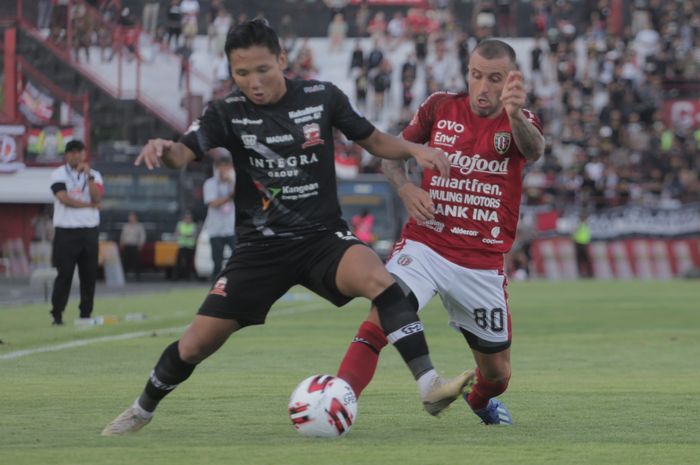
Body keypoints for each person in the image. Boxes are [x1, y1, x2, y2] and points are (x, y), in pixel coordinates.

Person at [102, 19, 468, 436]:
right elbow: (183, 155)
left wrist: (415, 149)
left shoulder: (321, 97)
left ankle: (429, 385)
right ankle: (141, 410)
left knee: (382, 281)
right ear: (231, 72)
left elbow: (373, 140)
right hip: (260, 249)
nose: (254, 82)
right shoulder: (226, 112)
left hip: (321, 238)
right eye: (242, 73)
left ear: (281, 60)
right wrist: (164, 149)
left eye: (262, 70)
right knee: (195, 344)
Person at [335, 39, 545, 426]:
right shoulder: (439, 106)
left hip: (480, 263)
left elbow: (533, 150)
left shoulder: (522, 120)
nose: (483, 87)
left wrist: (514, 116)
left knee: (497, 376)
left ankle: (480, 403)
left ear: (511, 80)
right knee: (385, 309)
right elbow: (391, 156)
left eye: (494, 79)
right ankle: (337, 398)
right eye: (476, 75)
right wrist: (406, 187)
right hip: (426, 243)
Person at [48, 140, 104, 325]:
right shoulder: (58, 174)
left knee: (88, 276)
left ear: (84, 154)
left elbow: (98, 197)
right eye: (72, 152)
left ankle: (85, 314)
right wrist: (90, 205)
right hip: (66, 232)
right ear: (66, 155)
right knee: (64, 275)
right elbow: (64, 199)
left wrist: (89, 178)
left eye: (79, 152)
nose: (76, 156)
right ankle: (57, 314)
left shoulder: (94, 175)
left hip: (89, 231)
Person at [202, 154, 236, 280]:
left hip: (231, 227)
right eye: (221, 168)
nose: (224, 172)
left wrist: (231, 182)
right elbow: (213, 203)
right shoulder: (210, 184)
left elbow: (237, 195)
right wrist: (229, 197)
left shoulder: (233, 182)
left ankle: (234, 281)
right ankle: (215, 284)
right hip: (215, 229)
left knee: (237, 257)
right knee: (217, 260)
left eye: (227, 168)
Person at [120, 212, 146, 280]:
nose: (131, 218)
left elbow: (142, 236)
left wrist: (141, 245)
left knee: (136, 261)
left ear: (135, 218)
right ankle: (123, 275)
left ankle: (137, 276)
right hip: (127, 245)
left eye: (132, 217)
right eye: (130, 217)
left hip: (135, 245)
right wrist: (122, 243)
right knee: (125, 261)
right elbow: (123, 235)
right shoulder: (126, 226)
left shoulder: (139, 226)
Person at [174, 211, 197, 280]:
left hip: (190, 247)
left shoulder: (193, 225)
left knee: (189, 263)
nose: (188, 219)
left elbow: (194, 235)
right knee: (180, 262)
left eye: (189, 218)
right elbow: (177, 233)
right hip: (182, 246)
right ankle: (177, 276)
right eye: (187, 218)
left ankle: (187, 276)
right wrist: (188, 235)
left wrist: (184, 235)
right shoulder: (180, 224)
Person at [572, 212, 592, 278]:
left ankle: (589, 273)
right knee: (580, 260)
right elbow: (574, 234)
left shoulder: (585, 225)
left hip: (584, 244)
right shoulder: (579, 225)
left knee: (585, 259)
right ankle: (581, 273)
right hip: (579, 244)